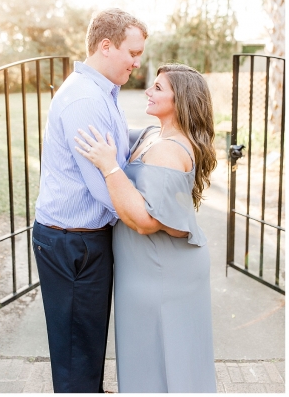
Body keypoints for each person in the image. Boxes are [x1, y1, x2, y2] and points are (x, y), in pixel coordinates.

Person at [74, 63, 217, 393]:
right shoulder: (155, 134)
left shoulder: (169, 149)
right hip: (146, 270)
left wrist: (109, 166)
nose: (148, 92)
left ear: (180, 99)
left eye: (157, 88)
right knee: (146, 356)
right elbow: (113, 126)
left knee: (164, 358)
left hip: (162, 274)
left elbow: (144, 221)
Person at [33, 8, 147, 392]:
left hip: (83, 239)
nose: (137, 61)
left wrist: (155, 135)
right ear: (106, 46)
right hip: (72, 243)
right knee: (75, 351)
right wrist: (147, 219)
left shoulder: (102, 92)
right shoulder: (84, 99)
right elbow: (103, 187)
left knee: (87, 340)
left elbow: (117, 142)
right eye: (133, 52)